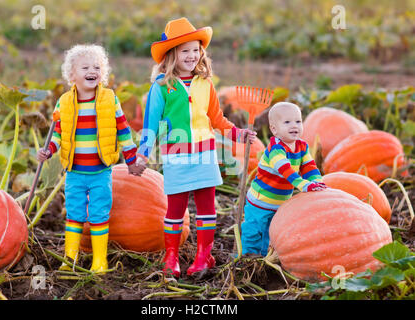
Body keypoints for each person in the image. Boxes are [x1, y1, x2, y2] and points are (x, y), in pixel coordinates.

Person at [136, 17, 255, 277]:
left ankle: (204, 256)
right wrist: (142, 155)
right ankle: (171, 258)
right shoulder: (161, 87)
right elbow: (151, 125)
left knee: (207, 208)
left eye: (195, 50)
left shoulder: (206, 84)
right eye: (185, 51)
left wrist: (238, 134)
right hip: (176, 155)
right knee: (175, 209)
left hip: (204, 154)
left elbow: (218, 120)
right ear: (171, 55)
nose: (192, 55)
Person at [37, 44, 145, 273]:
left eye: (97, 67)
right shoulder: (63, 102)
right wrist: (49, 151)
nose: (92, 71)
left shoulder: (109, 99)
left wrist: (131, 159)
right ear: (72, 74)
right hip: (74, 173)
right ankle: (70, 258)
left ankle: (99, 261)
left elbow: (123, 130)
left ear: (102, 73)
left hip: (100, 172)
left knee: (99, 214)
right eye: (85, 67)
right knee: (74, 214)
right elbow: (57, 135)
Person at [241, 102, 327, 256]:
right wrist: (303, 185)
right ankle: (247, 257)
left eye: (298, 121)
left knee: (271, 233)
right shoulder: (275, 150)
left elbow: (309, 167)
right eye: (287, 122)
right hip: (260, 201)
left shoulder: (302, 147)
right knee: (254, 231)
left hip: (280, 204)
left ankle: (262, 257)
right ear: (274, 129)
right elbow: (286, 170)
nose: (294, 125)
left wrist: (317, 181)